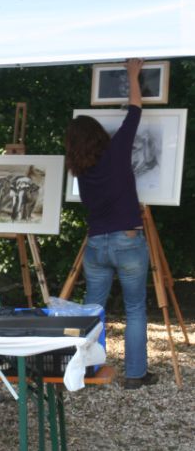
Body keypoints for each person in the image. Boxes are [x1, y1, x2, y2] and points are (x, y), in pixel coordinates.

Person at [65, 58, 158, 390]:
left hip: (96, 245)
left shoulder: (80, 170)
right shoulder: (117, 150)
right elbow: (135, 110)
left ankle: (87, 369)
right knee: (135, 308)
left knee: (93, 310)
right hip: (127, 241)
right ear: (99, 136)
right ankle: (135, 374)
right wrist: (133, 74)